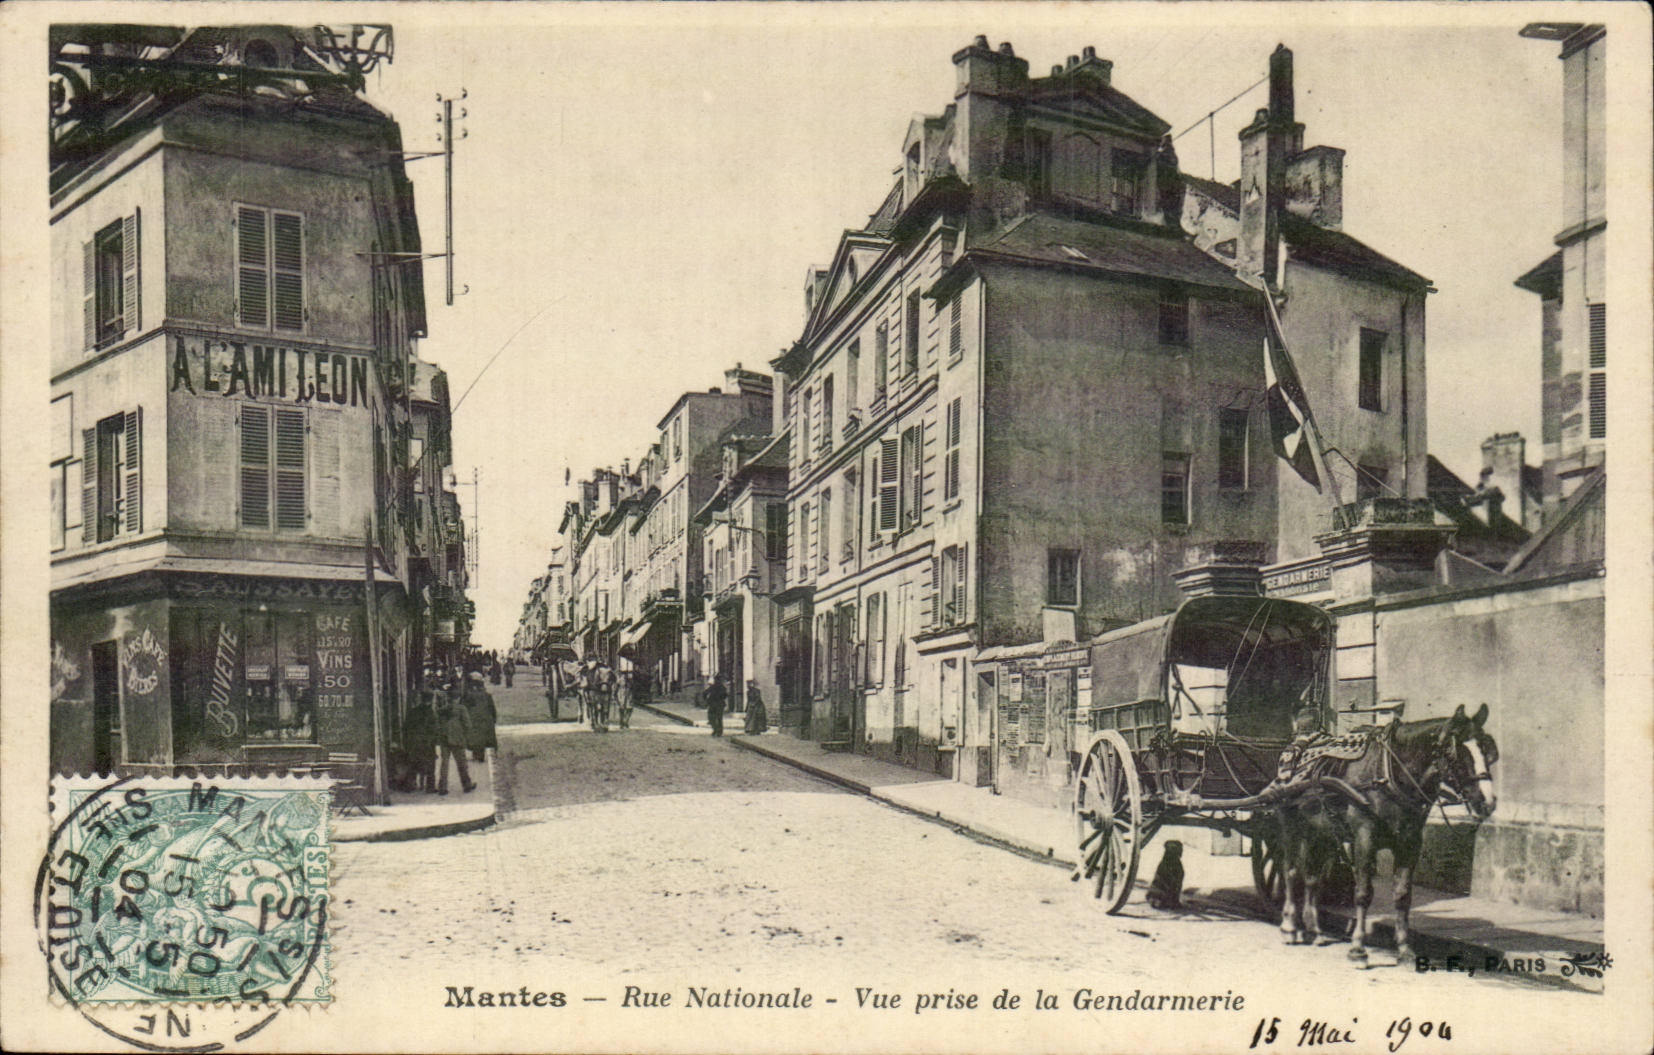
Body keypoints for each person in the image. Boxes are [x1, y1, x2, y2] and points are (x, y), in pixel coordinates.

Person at [436, 687, 475, 796]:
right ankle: (466, 784)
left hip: (444, 738)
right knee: (461, 762)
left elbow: (438, 723)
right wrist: (465, 735)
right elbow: (467, 724)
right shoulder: (461, 709)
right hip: (457, 738)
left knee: (444, 763)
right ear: (457, 698)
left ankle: (442, 787)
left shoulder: (443, 709)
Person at [404, 676, 440, 793]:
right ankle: (430, 786)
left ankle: (410, 784)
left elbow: (406, 727)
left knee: (413, 764)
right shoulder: (431, 714)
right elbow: (434, 730)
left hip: (414, 744)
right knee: (430, 765)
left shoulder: (413, 712)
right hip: (427, 744)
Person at [464, 670, 498, 762]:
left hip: (473, 718)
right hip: (484, 718)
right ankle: (480, 755)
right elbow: (491, 708)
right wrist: (493, 718)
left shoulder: (468, 694)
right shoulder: (486, 694)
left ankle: (476, 754)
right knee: (482, 737)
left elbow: (464, 706)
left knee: (475, 737)